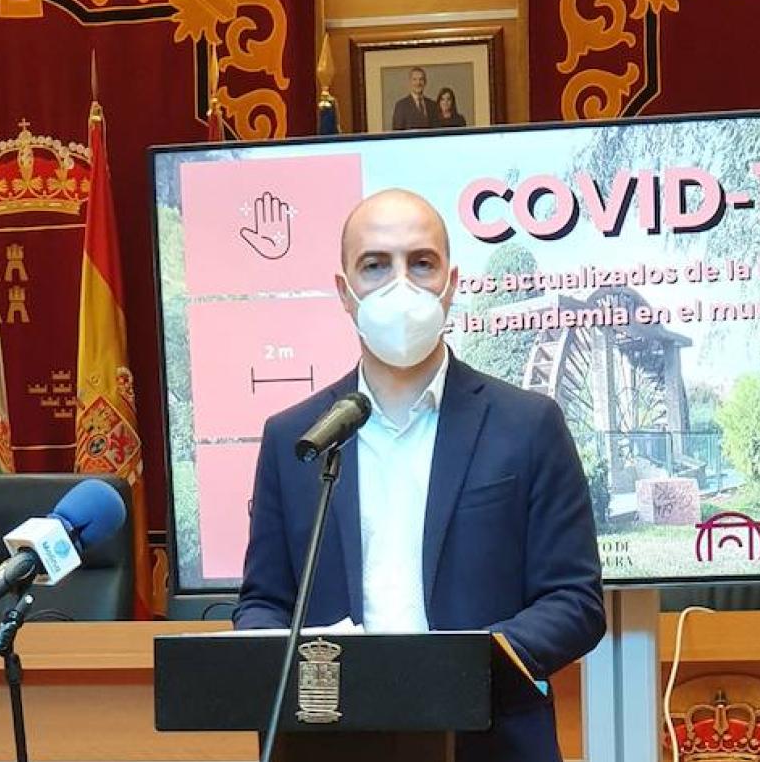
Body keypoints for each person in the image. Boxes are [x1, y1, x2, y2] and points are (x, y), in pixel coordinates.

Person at [235, 188, 606, 762]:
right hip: (329, 742)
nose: (400, 285)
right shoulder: (295, 438)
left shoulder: (528, 424)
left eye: (422, 263)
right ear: (345, 292)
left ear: (451, 284)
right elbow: (264, 601)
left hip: (491, 739)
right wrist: (274, 655)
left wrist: (471, 665)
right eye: (375, 265)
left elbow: (574, 599)